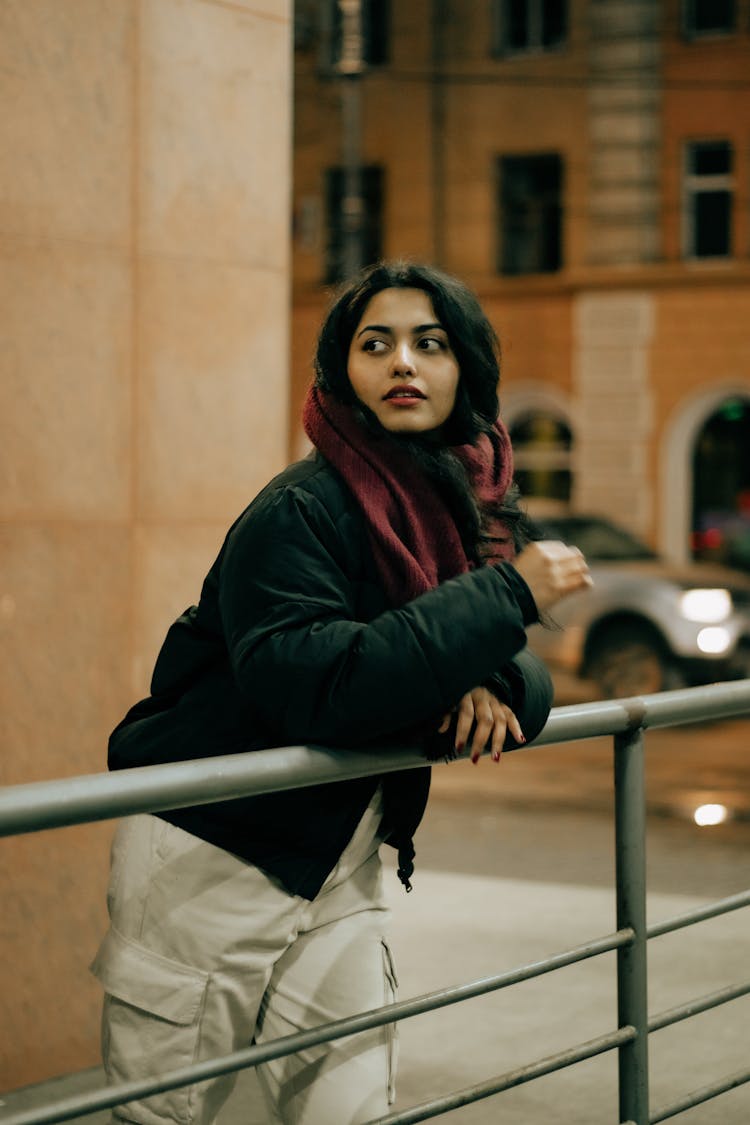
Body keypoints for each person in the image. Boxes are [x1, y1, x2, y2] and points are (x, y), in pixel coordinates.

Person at [90, 261, 592, 1125]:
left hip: (341, 859)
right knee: (164, 1116)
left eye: (429, 344)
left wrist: (486, 670)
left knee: (354, 1110)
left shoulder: (457, 509)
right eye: (376, 343)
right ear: (340, 371)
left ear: (464, 367)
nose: (404, 363)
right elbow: (316, 683)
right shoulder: (301, 510)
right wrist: (505, 602)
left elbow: (524, 682)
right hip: (217, 847)